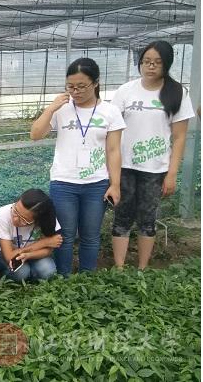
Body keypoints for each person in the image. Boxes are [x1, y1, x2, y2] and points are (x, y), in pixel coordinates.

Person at [31, 57, 125, 276]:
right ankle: (63, 276)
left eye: (81, 86)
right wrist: (51, 108)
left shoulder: (110, 112)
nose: (75, 91)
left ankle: (87, 276)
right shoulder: (62, 109)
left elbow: (113, 151)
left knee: (90, 235)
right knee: (64, 235)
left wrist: (115, 184)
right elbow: (35, 134)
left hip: (96, 183)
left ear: (96, 83)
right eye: (70, 86)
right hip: (63, 182)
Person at [111, 41, 195, 269]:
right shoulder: (126, 90)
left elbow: (179, 137)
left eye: (157, 62)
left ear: (166, 64)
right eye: (146, 61)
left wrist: (172, 174)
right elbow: (112, 130)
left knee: (147, 218)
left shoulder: (177, 93)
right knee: (122, 215)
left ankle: (142, 268)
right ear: (140, 63)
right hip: (125, 166)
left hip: (155, 168)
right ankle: (119, 268)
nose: (151, 66)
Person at [0, 189, 62, 282]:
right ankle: (28, 274)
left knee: (48, 271)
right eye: (15, 210)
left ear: (38, 220)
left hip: (35, 255)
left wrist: (28, 255)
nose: (15, 219)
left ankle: (32, 274)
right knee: (21, 273)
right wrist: (43, 243)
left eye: (23, 219)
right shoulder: (3, 214)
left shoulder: (47, 220)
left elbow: (48, 251)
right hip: (8, 256)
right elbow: (9, 256)